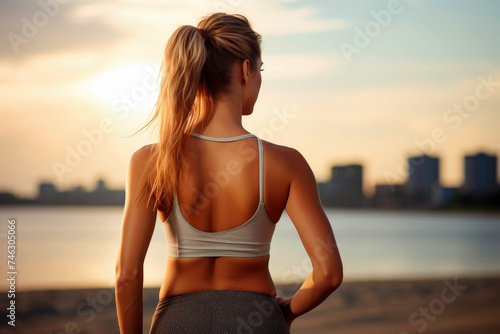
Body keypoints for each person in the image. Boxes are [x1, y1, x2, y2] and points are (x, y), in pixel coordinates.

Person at [115, 12, 343, 333]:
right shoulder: (286, 163)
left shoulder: (151, 159)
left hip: (178, 321)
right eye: (260, 70)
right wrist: (285, 314)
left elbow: (126, 275)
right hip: (257, 319)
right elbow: (329, 274)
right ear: (246, 70)